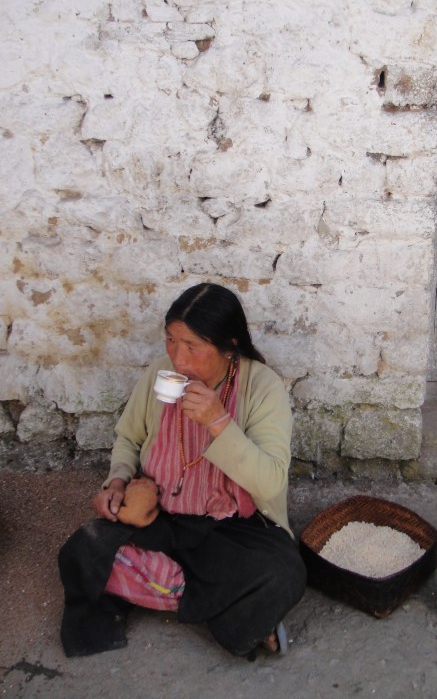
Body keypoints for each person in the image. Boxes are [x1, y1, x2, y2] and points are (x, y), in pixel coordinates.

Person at [58, 282, 307, 658]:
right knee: (83, 550)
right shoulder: (161, 374)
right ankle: (221, 604)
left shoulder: (262, 386)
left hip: (229, 529)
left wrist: (218, 421)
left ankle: (170, 588)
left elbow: (270, 480)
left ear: (230, 346)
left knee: (284, 572)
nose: (178, 358)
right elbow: (128, 438)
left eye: (193, 346)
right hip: (159, 518)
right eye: (171, 341)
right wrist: (117, 481)